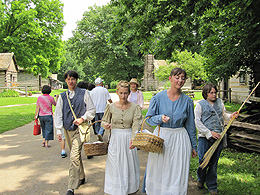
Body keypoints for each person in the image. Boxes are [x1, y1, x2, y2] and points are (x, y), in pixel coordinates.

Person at [143, 67, 197, 195]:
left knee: (177, 170)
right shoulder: (158, 98)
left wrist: (194, 146)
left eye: (183, 78)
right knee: (159, 168)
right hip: (162, 138)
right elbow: (148, 119)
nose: (180, 80)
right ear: (170, 78)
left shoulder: (188, 101)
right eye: (177, 77)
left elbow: (190, 125)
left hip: (180, 139)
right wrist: (159, 118)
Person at [54, 70, 96, 195]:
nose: (70, 81)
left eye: (73, 79)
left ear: (76, 80)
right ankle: (81, 176)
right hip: (68, 129)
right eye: (68, 79)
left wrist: (83, 118)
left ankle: (71, 186)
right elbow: (58, 114)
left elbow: (92, 110)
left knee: (73, 156)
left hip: (80, 129)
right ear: (65, 80)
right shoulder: (62, 97)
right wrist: (59, 130)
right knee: (75, 156)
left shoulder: (85, 93)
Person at [195, 83, 239, 195]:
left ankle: (212, 186)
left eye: (215, 92)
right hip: (204, 138)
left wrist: (231, 116)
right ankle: (201, 179)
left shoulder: (220, 102)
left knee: (213, 163)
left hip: (218, 138)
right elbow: (197, 122)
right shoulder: (200, 105)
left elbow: (223, 115)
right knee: (203, 161)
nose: (214, 95)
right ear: (206, 93)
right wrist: (209, 133)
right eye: (211, 93)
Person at [101, 80, 142, 195]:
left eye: (125, 93)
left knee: (129, 164)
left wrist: (133, 139)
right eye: (121, 93)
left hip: (129, 138)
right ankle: (116, 190)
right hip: (115, 139)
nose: (123, 96)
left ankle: (129, 189)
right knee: (115, 164)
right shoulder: (111, 107)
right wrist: (105, 125)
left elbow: (136, 124)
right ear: (117, 92)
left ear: (129, 93)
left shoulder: (134, 107)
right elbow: (103, 120)